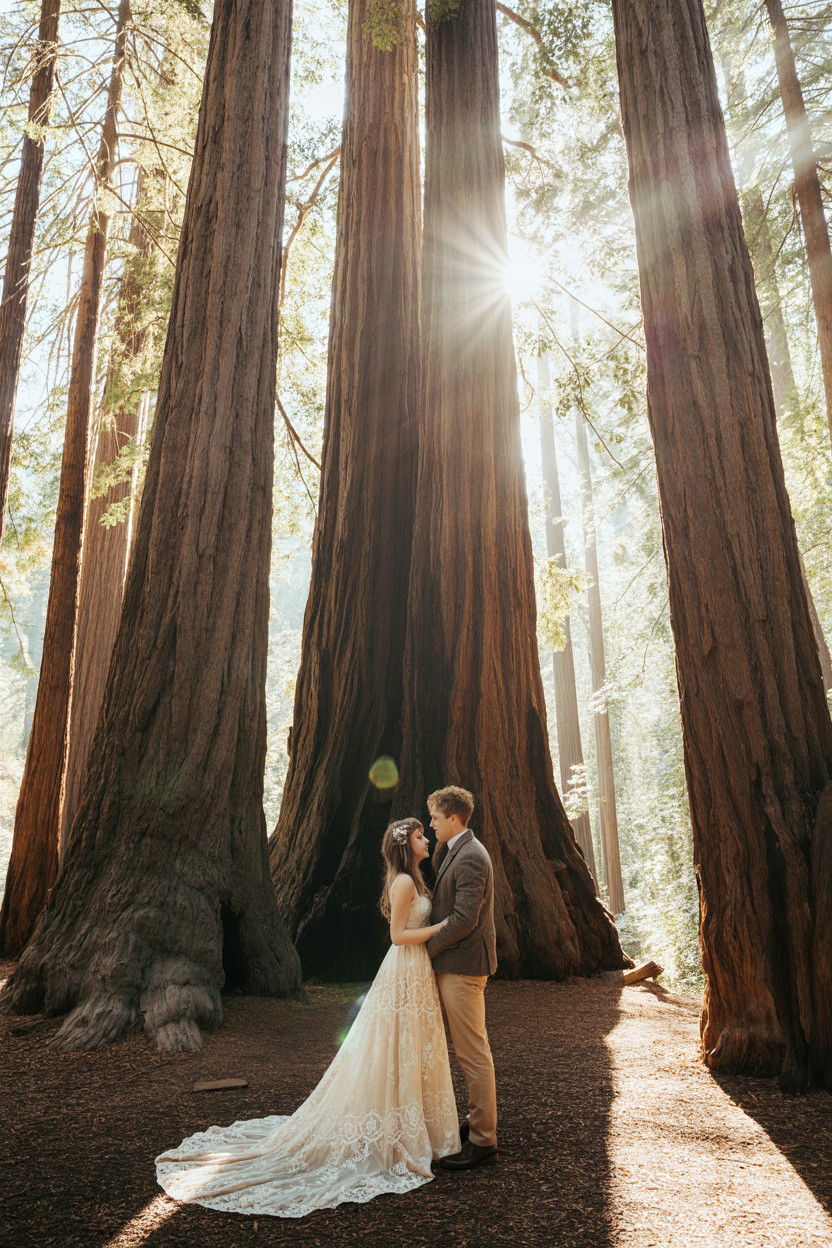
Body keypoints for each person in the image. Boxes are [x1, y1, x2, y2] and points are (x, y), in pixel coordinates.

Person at [154, 817, 459, 1218]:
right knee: (393, 1046)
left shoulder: (418, 879)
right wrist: (442, 925)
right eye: (420, 835)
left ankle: (420, 1128)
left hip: (416, 971)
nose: (426, 839)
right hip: (403, 968)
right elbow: (398, 936)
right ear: (405, 845)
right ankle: (395, 1134)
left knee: (414, 1045)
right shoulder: (403, 882)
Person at [425, 785, 498, 1171]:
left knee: (472, 1053)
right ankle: (476, 1122)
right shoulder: (455, 850)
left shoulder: (470, 856)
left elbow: (464, 919)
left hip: (463, 965)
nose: (432, 825)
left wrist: (427, 949)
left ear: (453, 817)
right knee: (468, 1050)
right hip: (454, 963)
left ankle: (484, 1140)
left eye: (436, 818)